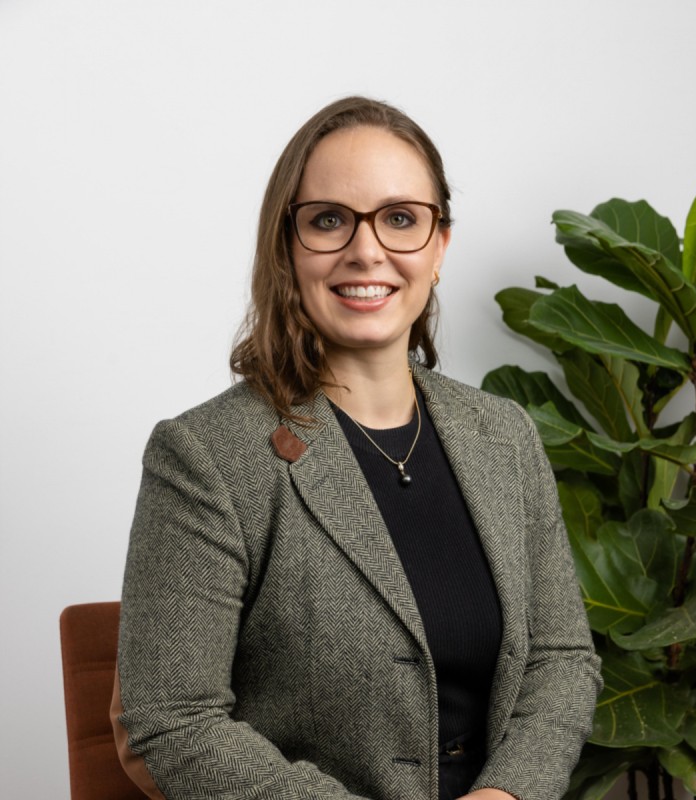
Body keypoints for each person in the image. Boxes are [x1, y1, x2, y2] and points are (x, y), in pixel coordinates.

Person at [111, 96, 602, 800]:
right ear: (287, 245)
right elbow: (172, 720)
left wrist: (506, 795)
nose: (366, 250)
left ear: (440, 246)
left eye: (401, 219)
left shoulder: (505, 437)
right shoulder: (205, 457)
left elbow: (561, 659)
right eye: (329, 220)